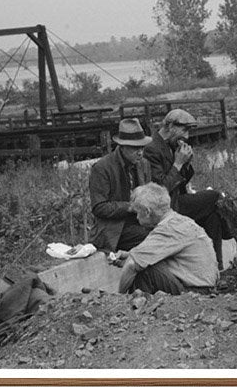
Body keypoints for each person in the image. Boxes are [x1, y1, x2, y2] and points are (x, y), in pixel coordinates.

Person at [143, 107, 228, 269]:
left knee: (213, 217)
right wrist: (178, 163)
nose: (187, 136)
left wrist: (186, 163)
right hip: (165, 206)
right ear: (169, 127)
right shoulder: (152, 148)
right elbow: (159, 190)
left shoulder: (170, 144)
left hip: (177, 200)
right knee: (214, 196)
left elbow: (181, 182)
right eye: (184, 130)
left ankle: (216, 268)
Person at [115, 183, 218, 295]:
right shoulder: (180, 221)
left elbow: (131, 265)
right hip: (204, 288)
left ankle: (134, 308)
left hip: (194, 293)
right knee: (144, 261)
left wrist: (119, 298)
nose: (137, 217)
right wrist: (130, 254)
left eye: (137, 213)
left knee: (146, 270)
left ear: (147, 212)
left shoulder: (167, 229)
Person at [88, 118, 154, 251]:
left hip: (139, 222)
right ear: (122, 147)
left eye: (142, 147)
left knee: (171, 232)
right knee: (152, 238)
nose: (140, 152)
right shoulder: (102, 168)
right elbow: (99, 208)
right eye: (135, 148)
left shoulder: (143, 163)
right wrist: (130, 207)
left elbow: (149, 193)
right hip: (113, 230)